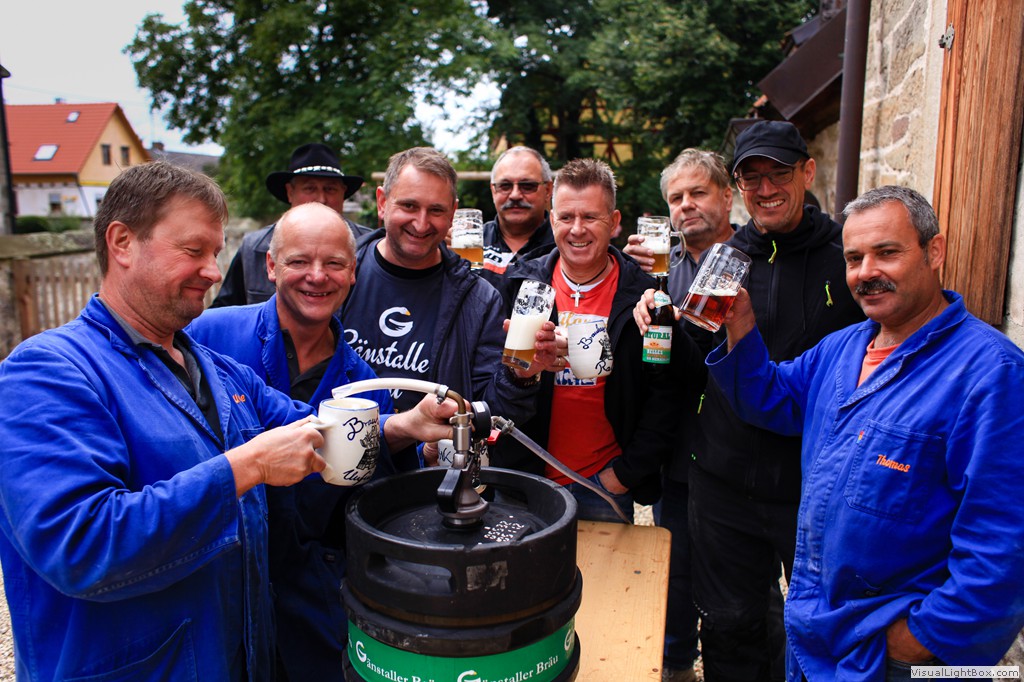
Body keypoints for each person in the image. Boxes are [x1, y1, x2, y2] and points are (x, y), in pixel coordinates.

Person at [0, 161, 453, 681]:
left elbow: (316, 431)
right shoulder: (48, 372)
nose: (215, 272)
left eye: (214, 254)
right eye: (193, 251)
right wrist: (247, 467)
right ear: (122, 243)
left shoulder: (215, 370)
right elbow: (80, 545)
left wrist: (407, 425)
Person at [707, 185, 1024, 680]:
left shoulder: (990, 374)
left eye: (887, 252)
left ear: (934, 252)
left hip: (890, 655)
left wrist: (921, 640)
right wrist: (741, 325)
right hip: (817, 631)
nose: (866, 272)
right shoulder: (843, 348)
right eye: (854, 258)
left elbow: (1003, 548)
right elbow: (768, 398)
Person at [637, 121, 864, 681]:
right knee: (729, 624)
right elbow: (690, 360)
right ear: (739, 188)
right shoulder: (725, 260)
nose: (765, 189)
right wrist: (656, 319)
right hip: (725, 479)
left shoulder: (845, 256)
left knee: (825, 624)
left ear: (807, 172)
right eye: (751, 178)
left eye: (778, 174)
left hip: (815, 479)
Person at [186, 202, 398, 681]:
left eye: (334, 263)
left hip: (306, 604)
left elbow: (362, 503)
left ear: (353, 272)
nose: (317, 276)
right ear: (271, 265)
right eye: (299, 260)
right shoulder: (207, 336)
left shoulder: (366, 386)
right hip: (216, 589)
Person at [493, 158, 705, 523]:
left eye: (590, 217)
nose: (577, 229)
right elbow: (490, 387)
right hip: (525, 481)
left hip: (601, 485)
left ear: (614, 221)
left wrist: (625, 474)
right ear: (552, 220)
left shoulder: (643, 295)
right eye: (566, 217)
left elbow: (666, 394)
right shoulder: (519, 286)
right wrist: (522, 371)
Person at [340, 146, 558, 423]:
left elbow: (493, 412)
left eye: (436, 210)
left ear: (453, 212)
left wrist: (519, 376)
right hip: (339, 444)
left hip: (434, 451)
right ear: (382, 202)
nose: (421, 224)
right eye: (409, 206)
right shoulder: (338, 275)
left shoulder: (479, 299)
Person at [211, 142, 370, 307]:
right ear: (290, 192)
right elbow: (225, 309)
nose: (321, 199)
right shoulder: (253, 248)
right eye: (310, 188)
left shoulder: (370, 246)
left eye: (330, 189)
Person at [624, 148, 736, 301]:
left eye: (698, 193)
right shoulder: (653, 267)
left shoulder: (757, 255)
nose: (686, 204)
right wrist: (625, 273)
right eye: (676, 198)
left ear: (727, 198)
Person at [481, 145, 556, 278]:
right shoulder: (472, 243)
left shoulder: (564, 245)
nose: (515, 195)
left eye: (527, 186)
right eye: (505, 186)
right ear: (493, 191)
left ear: (548, 190)